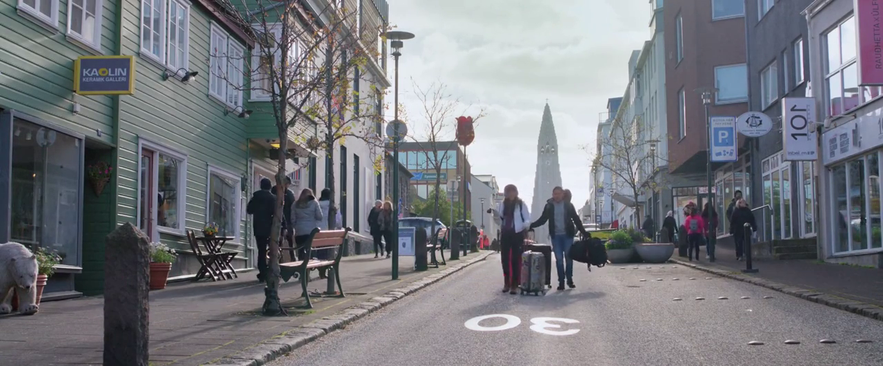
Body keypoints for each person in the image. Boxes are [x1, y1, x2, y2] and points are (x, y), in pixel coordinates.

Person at [529, 186, 588, 290]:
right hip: (556, 236)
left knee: (569, 258)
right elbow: (543, 219)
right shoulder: (549, 206)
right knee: (559, 259)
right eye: (555, 194)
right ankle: (561, 282)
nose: (556, 196)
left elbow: (576, 219)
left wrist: (584, 232)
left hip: (567, 235)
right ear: (552, 195)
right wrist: (531, 225)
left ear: (562, 194)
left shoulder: (568, 205)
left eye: (558, 193)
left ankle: (569, 279)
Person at [490, 184, 531, 294]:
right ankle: (506, 282)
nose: (511, 194)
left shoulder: (521, 204)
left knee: (515, 259)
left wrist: (523, 226)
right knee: (505, 259)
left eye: (513, 191)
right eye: (509, 192)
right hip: (505, 233)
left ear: (516, 192)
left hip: (517, 233)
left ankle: (514, 283)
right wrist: (496, 216)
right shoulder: (502, 205)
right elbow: (499, 219)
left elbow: (527, 219)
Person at [246, 178, 276, 283]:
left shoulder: (256, 197)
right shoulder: (273, 198)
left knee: (261, 251)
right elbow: (277, 213)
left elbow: (249, 210)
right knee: (274, 250)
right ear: (270, 186)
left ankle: (262, 272)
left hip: (258, 227)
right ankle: (272, 270)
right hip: (271, 228)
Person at [291, 188, 323, 262]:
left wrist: (296, 226)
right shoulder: (314, 203)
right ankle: (308, 267)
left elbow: (293, 219)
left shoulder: (295, 204)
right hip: (311, 232)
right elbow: (319, 216)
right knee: (310, 251)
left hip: (299, 232)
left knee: (301, 251)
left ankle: (302, 267)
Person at [316, 188, 340, 278]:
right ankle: (324, 270)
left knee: (320, 251)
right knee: (327, 251)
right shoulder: (331, 206)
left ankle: (320, 269)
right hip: (328, 231)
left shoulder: (317, 204)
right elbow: (338, 221)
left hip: (318, 231)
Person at [273, 177, 296, 261]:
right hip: (287, 221)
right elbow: (293, 208)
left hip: (278, 220)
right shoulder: (289, 194)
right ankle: (291, 258)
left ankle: (280, 259)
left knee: (279, 242)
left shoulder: (274, 191)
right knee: (289, 242)